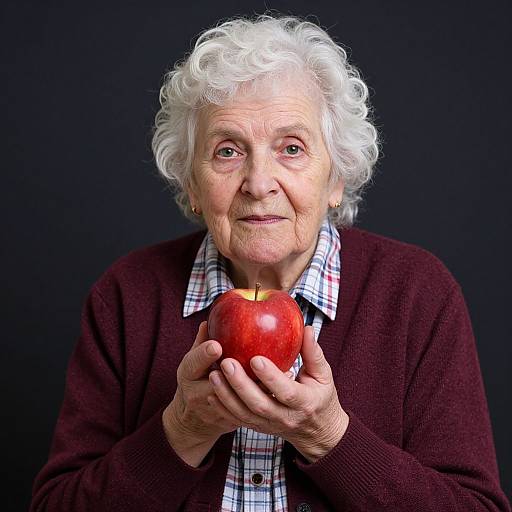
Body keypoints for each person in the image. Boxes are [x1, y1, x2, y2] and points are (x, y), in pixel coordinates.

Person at [30, 14, 510, 512]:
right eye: (228, 150)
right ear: (192, 184)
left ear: (336, 177)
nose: (259, 182)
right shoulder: (126, 297)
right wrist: (182, 430)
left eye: (292, 148)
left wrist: (329, 437)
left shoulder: (418, 295)